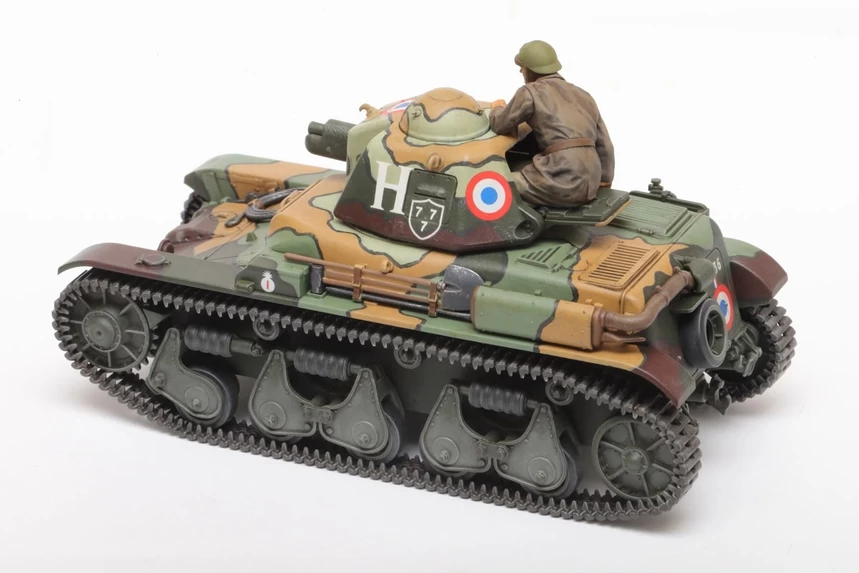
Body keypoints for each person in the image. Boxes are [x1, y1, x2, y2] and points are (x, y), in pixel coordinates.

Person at [489, 40, 615, 208]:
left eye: (522, 68)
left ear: (530, 70)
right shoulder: (584, 95)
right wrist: (604, 180)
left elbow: (500, 124)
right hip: (591, 181)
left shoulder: (530, 91)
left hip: (561, 178)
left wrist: (497, 108)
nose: (521, 71)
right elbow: (605, 144)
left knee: (498, 184)